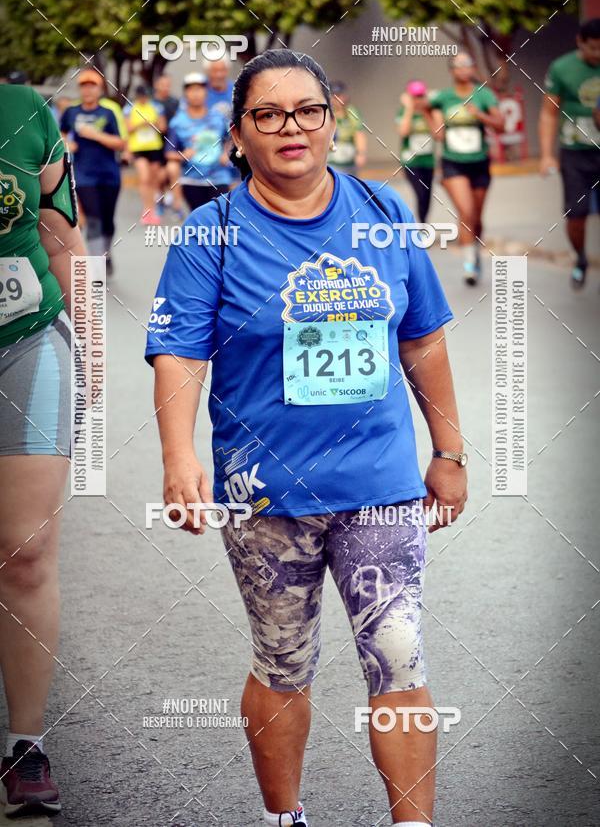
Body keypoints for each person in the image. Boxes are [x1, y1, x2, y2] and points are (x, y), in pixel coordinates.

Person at [145, 49, 467, 827]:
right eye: (268, 114)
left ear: (332, 119)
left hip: (380, 483)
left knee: (398, 657)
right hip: (267, 490)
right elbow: (181, 352)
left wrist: (449, 451)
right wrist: (179, 457)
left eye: (308, 110)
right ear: (239, 136)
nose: (292, 127)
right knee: (284, 662)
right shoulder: (209, 233)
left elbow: (422, 339)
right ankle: (282, 817)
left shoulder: (385, 214)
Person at [0, 84, 86, 817]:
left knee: (24, 551)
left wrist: (86, 343)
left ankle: (23, 748)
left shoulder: (26, 112)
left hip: (26, 341)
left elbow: (61, 236)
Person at [429, 52, 503, 286]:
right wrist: (434, 124)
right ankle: (469, 263)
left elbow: (501, 125)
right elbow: (425, 107)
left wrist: (479, 115)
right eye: (459, 66)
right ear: (451, 71)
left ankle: (474, 251)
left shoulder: (484, 95)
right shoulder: (444, 97)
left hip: (479, 162)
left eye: (468, 65)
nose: (464, 69)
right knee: (466, 211)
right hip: (453, 163)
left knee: (477, 218)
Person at [539, 18, 600, 288]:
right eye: (593, 49)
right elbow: (549, 113)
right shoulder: (562, 68)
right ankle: (580, 257)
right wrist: (546, 154)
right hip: (575, 152)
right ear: (580, 43)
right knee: (577, 215)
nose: (598, 55)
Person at [59, 69, 125, 275]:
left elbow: (120, 143)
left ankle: (106, 254)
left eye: (92, 85)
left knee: (107, 220)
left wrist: (95, 135)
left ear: (100, 89)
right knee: (93, 218)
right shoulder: (71, 112)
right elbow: (60, 136)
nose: (87, 90)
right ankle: (96, 265)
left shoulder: (108, 113)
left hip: (109, 175)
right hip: (84, 175)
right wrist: (67, 142)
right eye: (84, 86)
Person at [166, 72, 231, 211]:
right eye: (191, 89)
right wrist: (183, 155)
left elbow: (232, 138)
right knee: (199, 222)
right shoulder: (177, 122)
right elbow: (169, 153)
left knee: (220, 221)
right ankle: (176, 205)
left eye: (199, 89)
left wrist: (226, 153)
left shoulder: (218, 118)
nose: (196, 93)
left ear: (206, 92)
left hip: (219, 177)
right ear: (185, 93)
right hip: (191, 179)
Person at [124, 84, 166, 224]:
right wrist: (142, 124)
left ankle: (152, 209)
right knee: (144, 177)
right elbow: (127, 128)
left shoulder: (156, 107)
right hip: (138, 148)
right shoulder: (129, 108)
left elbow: (163, 127)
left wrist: (153, 124)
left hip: (153, 147)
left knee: (154, 179)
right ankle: (146, 209)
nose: (143, 98)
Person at [396, 80, 437, 222]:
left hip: (428, 161)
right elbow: (403, 132)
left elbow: (438, 134)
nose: (418, 100)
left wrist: (426, 111)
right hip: (411, 161)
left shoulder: (431, 112)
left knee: (427, 194)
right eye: (415, 97)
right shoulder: (404, 112)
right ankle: (418, 224)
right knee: (420, 192)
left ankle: (423, 223)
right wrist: (409, 109)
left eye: (420, 96)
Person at [153, 73, 185, 218]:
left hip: (172, 143)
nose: (165, 87)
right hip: (154, 145)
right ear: (156, 85)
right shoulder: (151, 103)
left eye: (168, 85)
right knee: (159, 176)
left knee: (172, 173)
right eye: (162, 84)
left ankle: (176, 205)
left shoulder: (175, 102)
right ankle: (160, 199)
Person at [205, 56, 238, 188]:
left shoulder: (237, 90)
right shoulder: (201, 91)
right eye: (215, 71)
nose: (219, 75)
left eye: (222, 70)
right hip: (208, 144)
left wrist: (228, 147)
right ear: (208, 72)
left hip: (234, 142)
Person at [327, 80, 367, 175]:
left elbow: (359, 133)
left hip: (349, 162)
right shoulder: (326, 113)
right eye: (334, 96)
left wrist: (361, 153)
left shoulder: (351, 112)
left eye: (340, 95)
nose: (337, 99)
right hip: (330, 161)